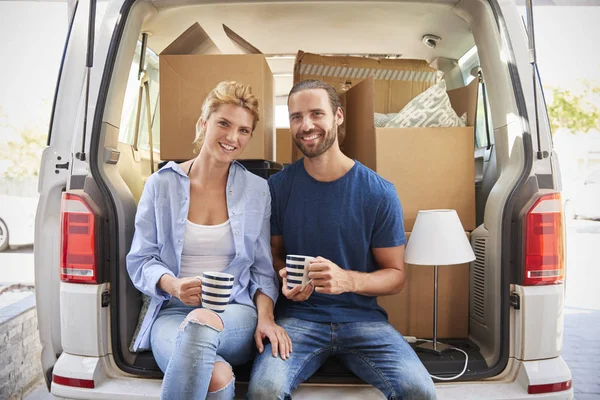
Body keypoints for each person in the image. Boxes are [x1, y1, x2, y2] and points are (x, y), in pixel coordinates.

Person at [247, 79, 437, 399]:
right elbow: (275, 254)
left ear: (338, 116)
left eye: (316, 114)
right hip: (298, 320)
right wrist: (283, 276)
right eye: (296, 117)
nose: (306, 126)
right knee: (265, 391)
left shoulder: (378, 192)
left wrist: (346, 280)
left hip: (363, 322)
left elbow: (396, 277)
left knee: (419, 391)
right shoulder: (278, 187)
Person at [126, 81, 291, 400]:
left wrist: (267, 318)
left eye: (243, 130)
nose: (232, 138)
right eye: (224, 124)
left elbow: (261, 269)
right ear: (203, 124)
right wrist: (172, 285)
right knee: (215, 376)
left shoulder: (257, 190)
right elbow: (141, 260)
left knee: (202, 322)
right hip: (172, 312)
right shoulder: (160, 185)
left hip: (235, 313)